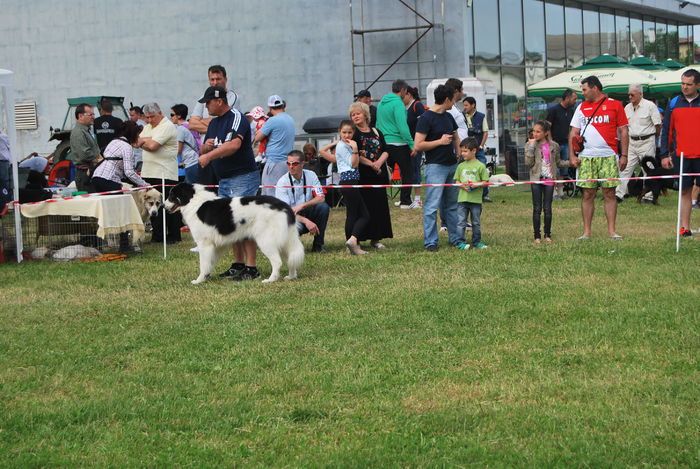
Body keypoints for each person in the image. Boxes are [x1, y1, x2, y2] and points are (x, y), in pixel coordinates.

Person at [198, 85, 262, 281]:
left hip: (242, 177)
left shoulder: (236, 117)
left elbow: (234, 145)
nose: (205, 107)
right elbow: (205, 149)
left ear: (219, 101)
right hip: (224, 179)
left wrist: (209, 157)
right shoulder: (214, 123)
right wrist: (205, 149)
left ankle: (252, 268)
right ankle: (238, 263)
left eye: (207, 103)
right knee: (232, 223)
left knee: (244, 221)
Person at [568, 75, 629, 240]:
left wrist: (624, 155)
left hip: (608, 155)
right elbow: (574, 132)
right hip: (586, 157)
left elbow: (623, 131)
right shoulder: (580, 107)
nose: (582, 93)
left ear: (595, 88)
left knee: (609, 193)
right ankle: (587, 232)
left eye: (584, 89)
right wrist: (572, 155)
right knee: (587, 194)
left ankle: (612, 231)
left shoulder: (615, 105)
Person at [414, 84, 464, 251]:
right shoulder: (426, 118)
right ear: (447, 99)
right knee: (431, 206)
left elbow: (456, 137)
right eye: (453, 100)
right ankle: (431, 242)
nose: (454, 103)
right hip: (435, 167)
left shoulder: (449, 117)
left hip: (451, 166)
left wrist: (458, 152)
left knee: (452, 205)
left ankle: (455, 238)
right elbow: (418, 145)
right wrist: (439, 142)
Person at [90, 120, 148, 253]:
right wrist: (145, 184)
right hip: (108, 180)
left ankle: (103, 242)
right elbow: (129, 172)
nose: (138, 138)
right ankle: (124, 246)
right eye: (138, 136)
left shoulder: (114, 142)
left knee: (107, 212)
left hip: (97, 178)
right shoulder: (127, 147)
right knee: (123, 210)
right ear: (133, 134)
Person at [660, 68, 700, 238]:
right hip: (682, 155)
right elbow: (667, 130)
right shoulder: (674, 103)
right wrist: (664, 154)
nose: (684, 87)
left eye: (688, 84)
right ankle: (685, 227)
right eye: (682, 83)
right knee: (684, 191)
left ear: (697, 85)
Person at [320, 120, 370, 255]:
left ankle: (352, 245)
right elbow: (353, 165)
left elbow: (322, 151)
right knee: (364, 216)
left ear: (353, 132)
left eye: (349, 132)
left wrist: (339, 143)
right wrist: (354, 150)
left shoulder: (343, 146)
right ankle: (353, 241)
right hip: (350, 182)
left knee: (352, 215)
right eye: (344, 132)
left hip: (347, 182)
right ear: (339, 132)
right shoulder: (346, 146)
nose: (347, 135)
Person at [137, 102, 182, 244]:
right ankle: (157, 235)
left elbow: (152, 146)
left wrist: (146, 140)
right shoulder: (147, 127)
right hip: (148, 172)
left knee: (168, 205)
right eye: (147, 117)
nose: (150, 120)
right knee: (152, 205)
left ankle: (174, 235)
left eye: (152, 117)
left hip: (165, 172)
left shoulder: (167, 126)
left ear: (160, 113)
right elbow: (136, 141)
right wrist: (146, 140)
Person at [188, 65, 241, 186]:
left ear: (225, 79)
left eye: (218, 79)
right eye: (212, 79)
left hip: (222, 154)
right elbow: (192, 123)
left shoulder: (233, 97)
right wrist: (213, 124)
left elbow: (223, 118)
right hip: (205, 151)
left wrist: (203, 121)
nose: (215, 82)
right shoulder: (203, 98)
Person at [350, 101, 393, 248]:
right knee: (364, 208)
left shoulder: (376, 131)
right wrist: (371, 164)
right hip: (363, 175)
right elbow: (354, 154)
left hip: (379, 175)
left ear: (365, 115)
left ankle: (376, 238)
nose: (355, 116)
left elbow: (386, 150)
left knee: (379, 207)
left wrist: (379, 163)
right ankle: (359, 238)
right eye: (353, 115)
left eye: (358, 113)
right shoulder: (353, 133)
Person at [274, 150, 329, 253]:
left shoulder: (311, 175)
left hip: (306, 211)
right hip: (291, 217)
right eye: (288, 163)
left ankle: (318, 246)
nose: (291, 166)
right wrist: (306, 221)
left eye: (294, 163)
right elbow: (284, 212)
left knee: (323, 207)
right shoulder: (282, 182)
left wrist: (302, 205)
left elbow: (321, 197)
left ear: (302, 164)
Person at [615, 84, 662, 203]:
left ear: (641, 94)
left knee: (649, 169)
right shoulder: (627, 108)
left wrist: (653, 138)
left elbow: (658, 125)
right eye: (629, 95)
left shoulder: (650, 106)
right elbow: (624, 126)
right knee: (625, 168)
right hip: (631, 142)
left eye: (632, 95)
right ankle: (618, 194)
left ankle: (649, 195)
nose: (630, 97)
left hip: (647, 140)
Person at [525, 120, 569, 244]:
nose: (535, 134)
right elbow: (529, 163)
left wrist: (571, 162)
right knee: (537, 208)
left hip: (549, 179)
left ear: (546, 133)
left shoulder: (554, 146)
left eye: (538, 131)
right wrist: (532, 147)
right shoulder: (529, 145)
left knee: (548, 208)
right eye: (534, 131)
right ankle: (537, 236)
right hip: (536, 179)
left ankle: (547, 234)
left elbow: (558, 162)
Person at [376, 79, 415, 208]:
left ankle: (381, 199)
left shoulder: (381, 102)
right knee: (406, 172)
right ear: (403, 90)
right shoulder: (398, 104)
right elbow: (402, 126)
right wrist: (411, 144)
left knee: (383, 172)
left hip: (384, 143)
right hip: (399, 143)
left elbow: (378, 124)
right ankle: (405, 201)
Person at [254, 95, 296, 197]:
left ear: (269, 108)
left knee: (270, 194)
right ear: (282, 106)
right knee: (284, 193)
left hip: (274, 162)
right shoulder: (291, 119)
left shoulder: (272, 121)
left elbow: (258, 137)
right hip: (287, 162)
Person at [454, 137, 490, 250]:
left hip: (476, 200)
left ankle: (477, 242)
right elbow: (457, 181)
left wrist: (476, 185)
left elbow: (485, 182)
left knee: (476, 222)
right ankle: (460, 242)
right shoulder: (460, 166)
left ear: (474, 151)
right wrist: (462, 185)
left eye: (465, 151)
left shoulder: (480, 166)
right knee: (461, 222)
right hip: (462, 200)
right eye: (462, 151)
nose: (462, 154)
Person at [546, 88, 577, 199]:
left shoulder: (571, 111)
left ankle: (561, 192)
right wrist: (551, 142)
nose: (575, 101)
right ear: (567, 98)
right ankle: (553, 193)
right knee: (554, 168)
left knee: (563, 169)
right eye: (574, 99)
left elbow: (571, 128)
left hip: (566, 144)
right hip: (555, 144)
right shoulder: (554, 110)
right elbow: (548, 127)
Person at [463, 96, 492, 202]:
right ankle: (466, 192)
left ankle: (484, 195)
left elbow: (485, 132)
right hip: (465, 149)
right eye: (464, 105)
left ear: (473, 105)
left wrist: (481, 145)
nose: (464, 107)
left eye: (466, 105)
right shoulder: (462, 116)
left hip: (477, 149)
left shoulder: (481, 116)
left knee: (482, 169)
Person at [69, 103, 101, 192]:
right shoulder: (78, 132)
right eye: (90, 114)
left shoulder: (85, 131)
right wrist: (99, 159)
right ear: (80, 116)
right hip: (85, 174)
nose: (93, 117)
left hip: (90, 171)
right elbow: (84, 154)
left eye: (93, 114)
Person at [406, 86, 426, 208]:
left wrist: (417, 144)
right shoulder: (405, 107)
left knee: (415, 169)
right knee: (408, 170)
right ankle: (408, 197)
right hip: (407, 143)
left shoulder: (417, 105)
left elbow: (422, 124)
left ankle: (418, 199)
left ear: (408, 94)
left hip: (416, 143)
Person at [170, 104, 200, 184]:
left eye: (172, 115)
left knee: (189, 189)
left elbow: (178, 150)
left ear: (179, 116)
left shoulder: (180, 129)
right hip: (196, 160)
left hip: (191, 163)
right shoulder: (189, 126)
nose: (170, 117)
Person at [129, 105, 146, 171]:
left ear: (139, 115)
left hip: (138, 159)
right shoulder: (147, 126)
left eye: (132, 115)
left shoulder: (137, 126)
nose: (130, 118)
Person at [0, 132, 11, 206]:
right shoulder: (3, 137)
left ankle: (6, 200)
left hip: (3, 161)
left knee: (4, 181)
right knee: (4, 181)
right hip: (4, 161)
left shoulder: (2, 137)